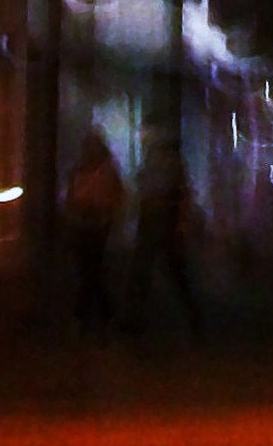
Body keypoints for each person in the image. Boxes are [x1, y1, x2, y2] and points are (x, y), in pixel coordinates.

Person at [125, 127, 203, 341]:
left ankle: (137, 321)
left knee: (160, 271)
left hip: (160, 217)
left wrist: (179, 221)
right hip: (156, 217)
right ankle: (136, 320)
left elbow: (171, 190)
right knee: (156, 271)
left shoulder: (164, 162)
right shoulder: (162, 161)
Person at [62, 127, 125, 335]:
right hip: (86, 222)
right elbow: (72, 196)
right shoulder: (84, 170)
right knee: (90, 271)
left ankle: (85, 317)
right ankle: (102, 316)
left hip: (96, 222)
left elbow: (116, 196)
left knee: (90, 271)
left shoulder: (101, 171)